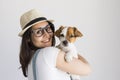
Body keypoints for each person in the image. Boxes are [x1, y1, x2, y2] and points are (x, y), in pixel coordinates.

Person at [18, 9, 91, 80]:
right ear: (28, 38)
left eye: (48, 29)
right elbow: (87, 69)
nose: (46, 35)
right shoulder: (49, 53)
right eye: (38, 32)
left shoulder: (31, 60)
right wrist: (71, 49)